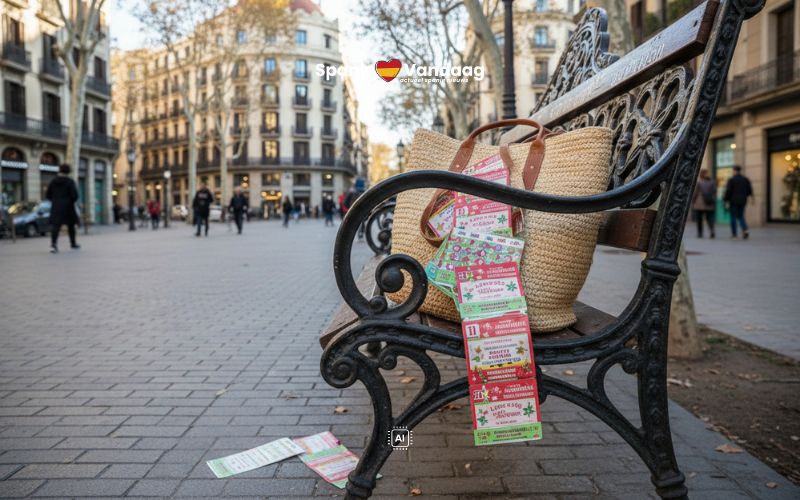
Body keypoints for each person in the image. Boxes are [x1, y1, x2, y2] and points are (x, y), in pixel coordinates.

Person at [45, 163, 80, 253]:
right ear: (68, 171)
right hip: (68, 207)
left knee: (55, 226)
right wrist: (70, 200)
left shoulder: (53, 181)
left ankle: (53, 245)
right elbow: (75, 195)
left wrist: (55, 200)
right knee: (71, 226)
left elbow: (48, 194)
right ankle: (73, 243)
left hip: (56, 207)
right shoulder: (70, 181)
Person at [724, 165, 753, 239]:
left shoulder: (732, 180)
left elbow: (728, 191)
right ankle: (745, 229)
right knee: (741, 216)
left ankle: (734, 234)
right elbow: (749, 191)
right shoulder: (745, 179)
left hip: (733, 201)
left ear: (734, 171)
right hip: (743, 201)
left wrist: (725, 200)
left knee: (733, 217)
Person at [692, 169, 716, 238]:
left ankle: (700, 233)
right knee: (709, 219)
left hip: (700, 204)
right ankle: (712, 231)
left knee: (699, 220)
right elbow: (714, 192)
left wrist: (693, 201)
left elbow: (695, 193)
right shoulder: (712, 182)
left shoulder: (699, 182)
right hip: (709, 203)